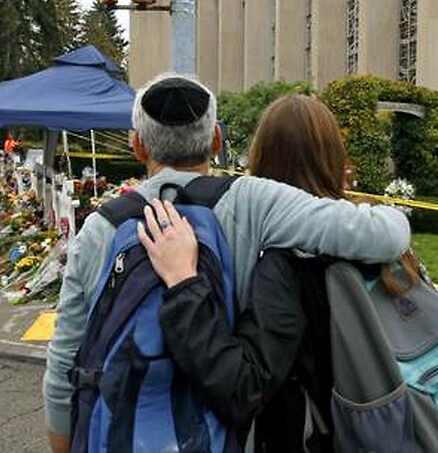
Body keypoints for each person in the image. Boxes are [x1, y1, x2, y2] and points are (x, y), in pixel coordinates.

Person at [42, 75, 411, 453]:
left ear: (138, 145)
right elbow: (387, 236)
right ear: (216, 140)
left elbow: (64, 360)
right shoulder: (253, 203)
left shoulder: (99, 229)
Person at [143, 94, 419, 451]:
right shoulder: (384, 250)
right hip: (396, 423)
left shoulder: (282, 262)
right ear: (334, 156)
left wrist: (183, 281)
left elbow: (242, 388)